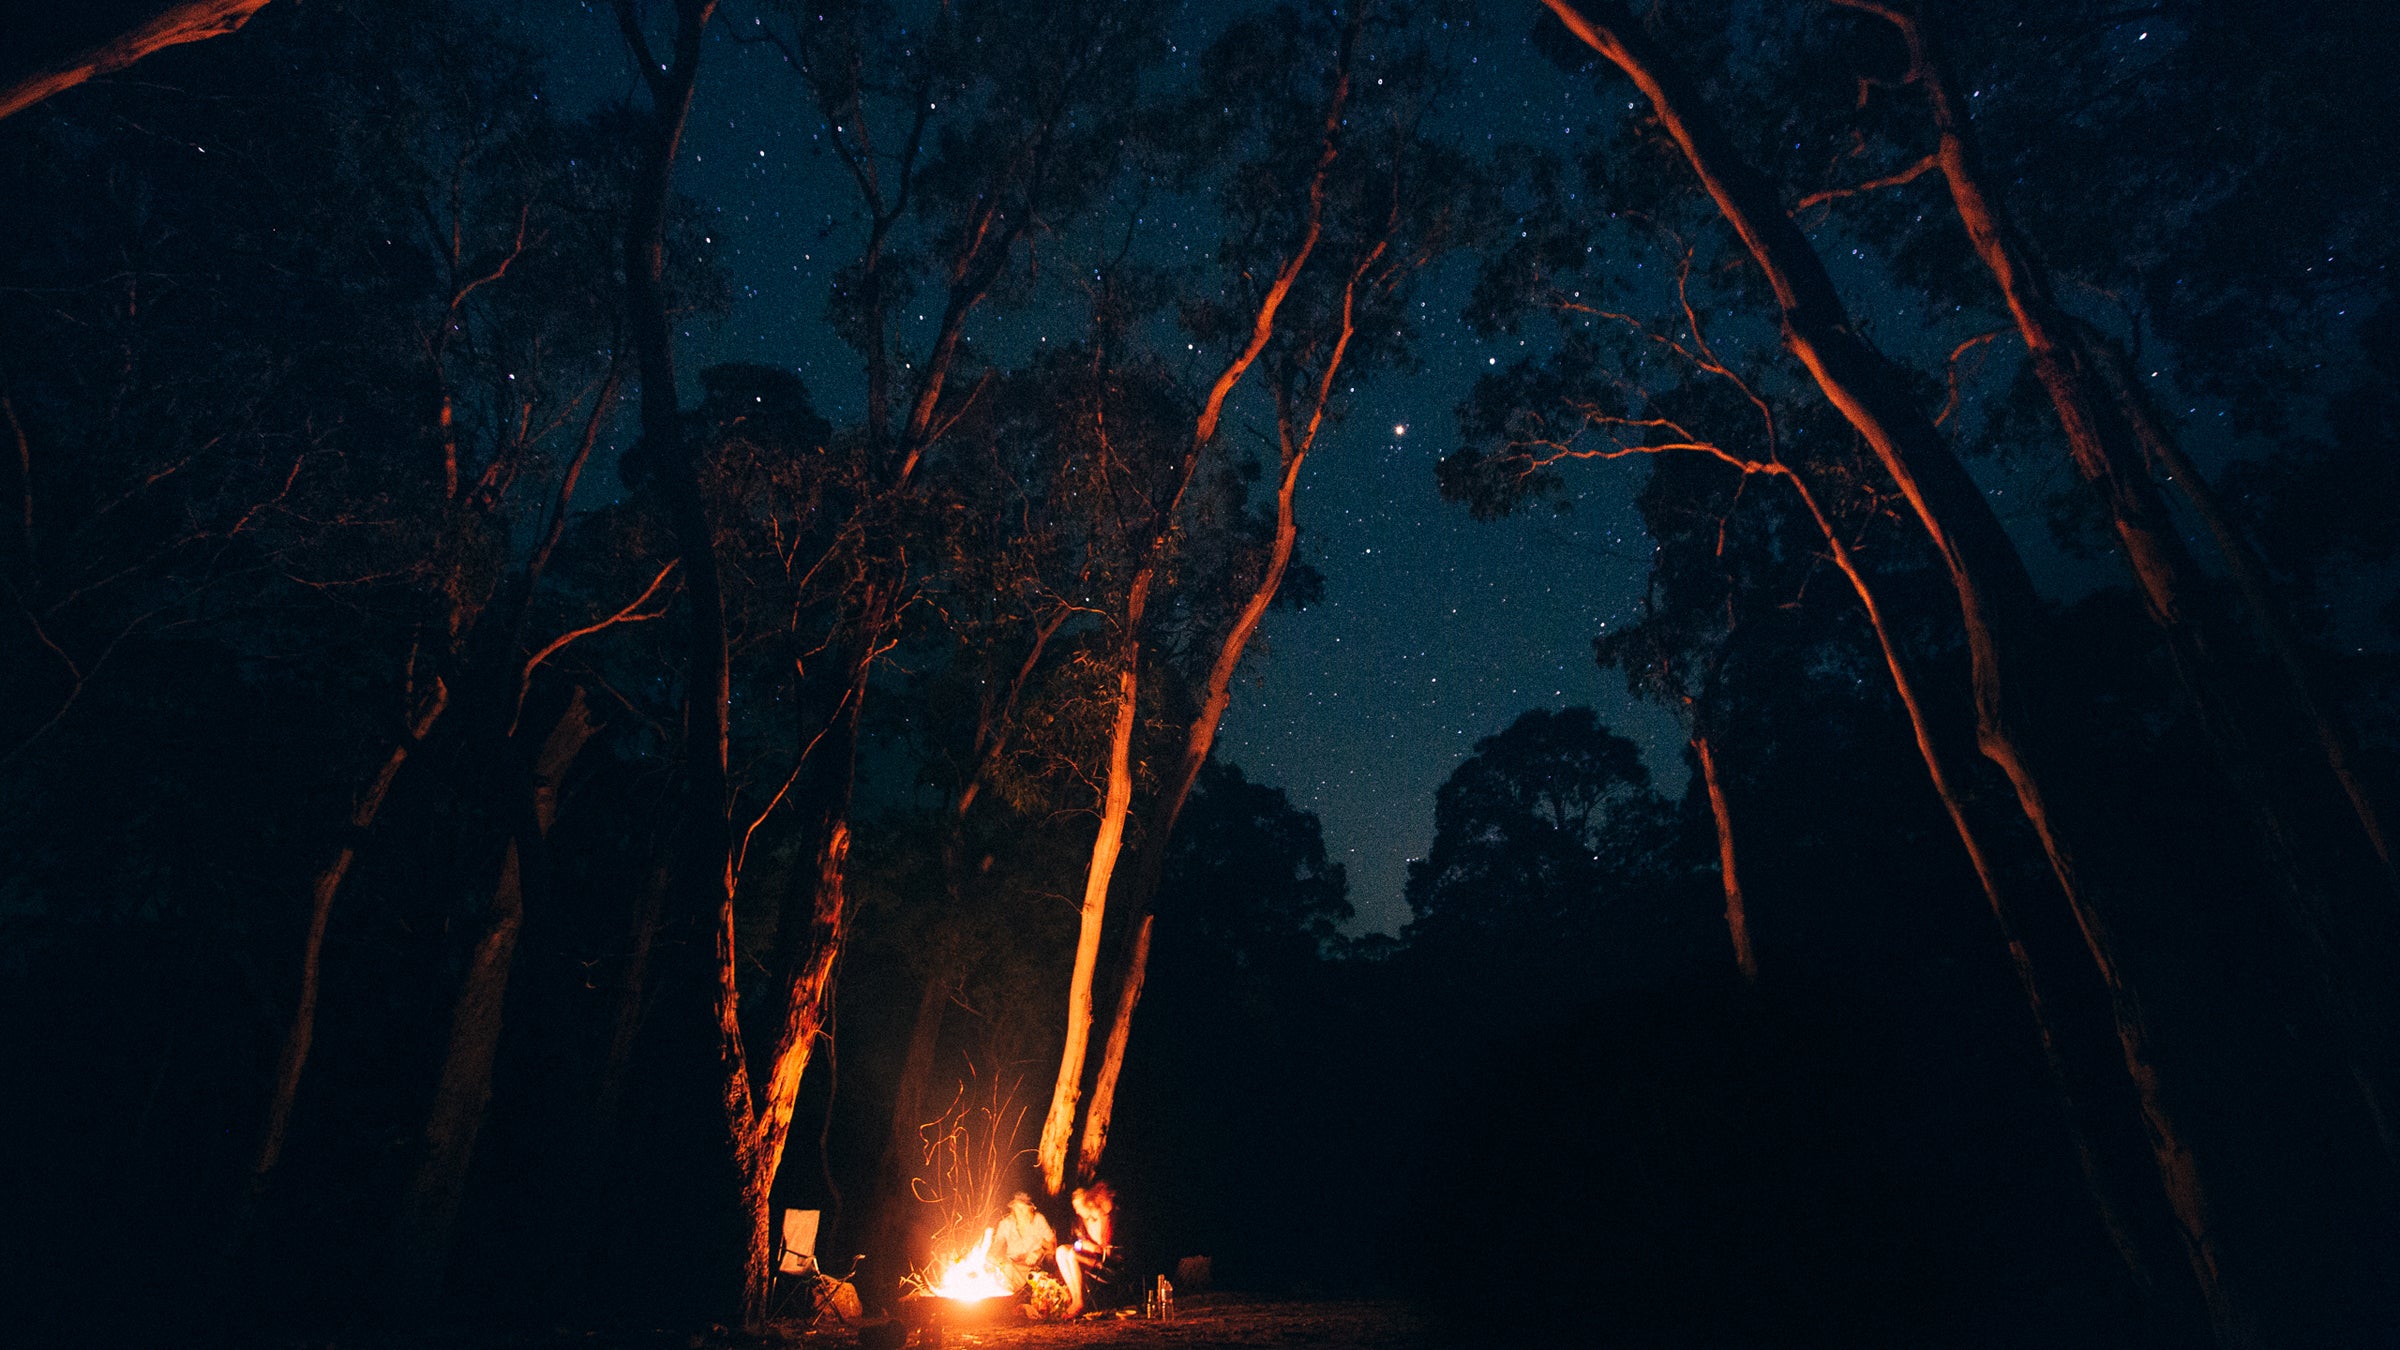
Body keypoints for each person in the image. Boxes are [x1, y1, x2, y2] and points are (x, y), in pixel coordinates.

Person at [1053, 1180, 1118, 1317]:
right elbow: (1078, 1242)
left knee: (1071, 1255)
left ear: (1087, 1203)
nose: (1076, 1211)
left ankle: (1080, 1302)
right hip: (1091, 1259)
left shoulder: (1103, 1218)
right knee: (1061, 1251)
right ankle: (1074, 1297)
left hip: (1108, 1265)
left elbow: (1108, 1252)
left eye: (1077, 1206)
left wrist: (1093, 1247)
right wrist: (1082, 1245)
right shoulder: (1084, 1222)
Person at [992, 1191, 1055, 1293]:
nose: (1020, 1211)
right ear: (1012, 1208)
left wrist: (1039, 1252)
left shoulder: (1038, 1220)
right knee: (1003, 1274)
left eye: (1023, 1207)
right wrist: (990, 1255)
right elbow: (997, 1245)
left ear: (1031, 1208)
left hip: (1034, 1268)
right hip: (1012, 1266)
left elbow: (1053, 1245)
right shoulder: (1005, 1223)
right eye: (1017, 1207)